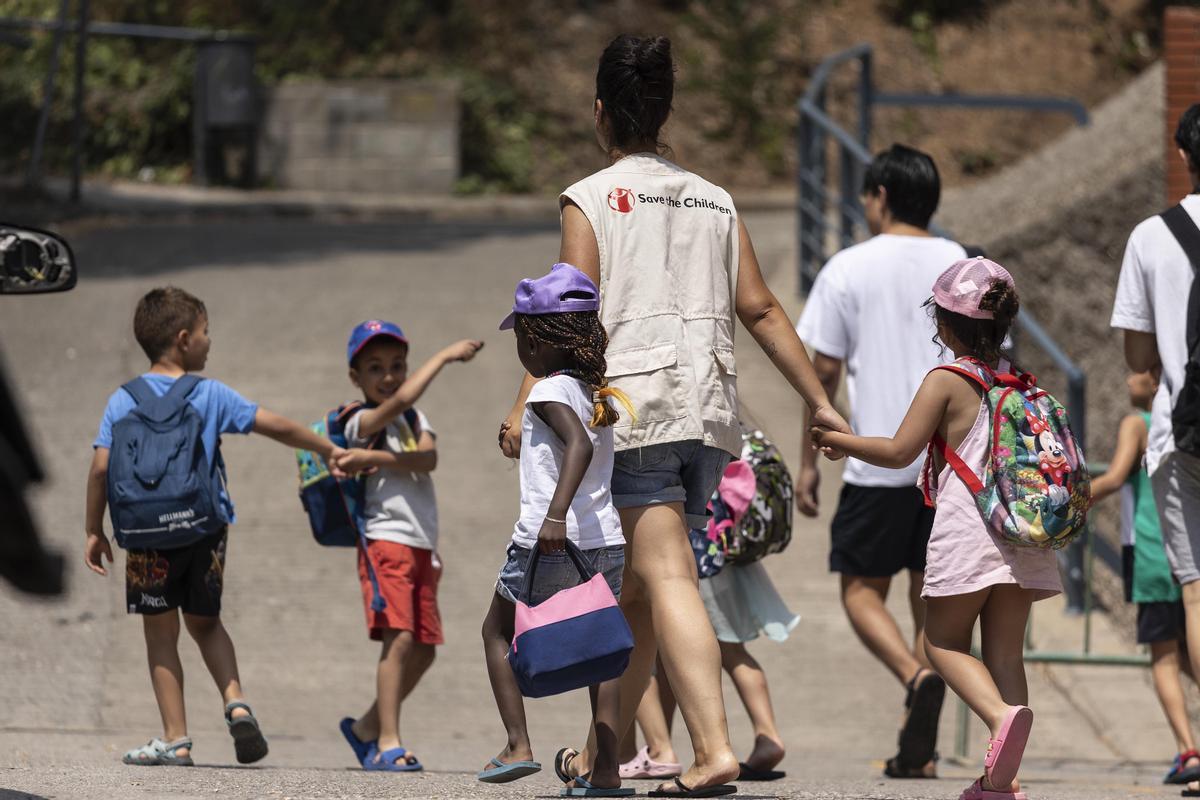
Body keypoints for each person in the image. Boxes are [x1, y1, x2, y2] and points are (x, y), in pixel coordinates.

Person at [498, 34, 848, 798]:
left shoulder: (590, 198)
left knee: (664, 574)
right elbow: (758, 306)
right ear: (666, 113)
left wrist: (525, 396)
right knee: (640, 593)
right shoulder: (714, 199)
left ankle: (713, 748)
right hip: (707, 417)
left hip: (635, 412)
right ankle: (606, 760)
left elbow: (571, 316)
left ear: (599, 112)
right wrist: (818, 400)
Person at [811, 258, 1062, 800]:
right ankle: (1003, 779)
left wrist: (842, 440)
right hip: (1022, 535)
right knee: (1004, 655)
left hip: (971, 532)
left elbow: (901, 451)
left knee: (940, 640)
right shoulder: (1018, 380)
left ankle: (998, 718)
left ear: (945, 324)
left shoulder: (947, 381)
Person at [83, 287, 347, 766]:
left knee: (161, 635)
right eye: (206, 333)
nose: (210, 341)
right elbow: (275, 425)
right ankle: (236, 702)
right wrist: (325, 448)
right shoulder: (209, 394)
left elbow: (100, 470)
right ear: (184, 340)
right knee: (205, 623)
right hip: (204, 530)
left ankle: (175, 739)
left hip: (146, 540)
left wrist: (93, 530)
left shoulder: (121, 401)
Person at [794, 143, 965, 778]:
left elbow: (824, 376)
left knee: (862, 591)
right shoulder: (963, 264)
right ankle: (920, 744)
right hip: (949, 468)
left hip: (876, 462)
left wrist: (810, 462)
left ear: (881, 196)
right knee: (933, 599)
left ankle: (912, 675)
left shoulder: (847, 268)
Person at [480, 264, 634, 795]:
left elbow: (580, 447)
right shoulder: (595, 392)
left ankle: (517, 744)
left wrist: (553, 516)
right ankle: (608, 769)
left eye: (521, 339)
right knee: (602, 654)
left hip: (548, 540)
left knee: (496, 632)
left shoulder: (547, 391)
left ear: (538, 341)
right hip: (605, 541)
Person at [333, 321, 483, 771]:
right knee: (398, 638)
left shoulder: (414, 421)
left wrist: (375, 459)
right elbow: (401, 400)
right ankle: (387, 742)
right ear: (355, 376)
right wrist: (443, 357)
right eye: (375, 367)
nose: (389, 376)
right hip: (385, 542)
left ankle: (363, 729)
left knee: (424, 648)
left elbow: (429, 458)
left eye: (397, 366)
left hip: (422, 547)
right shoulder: (357, 420)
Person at [1112, 105, 1200, 755]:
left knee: (1196, 593)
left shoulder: (1150, 237)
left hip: (1186, 433)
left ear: (1183, 156)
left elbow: (1140, 365)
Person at [1090, 370, 1200, 788]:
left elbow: (1116, 477)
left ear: (1155, 378)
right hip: (1189, 551)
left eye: (1135, 371)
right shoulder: (1185, 422)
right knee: (1189, 652)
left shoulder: (1139, 422)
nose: (1127, 379)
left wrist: (1075, 496)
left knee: (1164, 656)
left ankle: (1188, 750)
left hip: (1153, 549)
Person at [621, 563, 798, 783]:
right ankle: (767, 735)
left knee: (654, 644)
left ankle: (662, 749)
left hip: (695, 568)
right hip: (718, 559)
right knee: (728, 651)